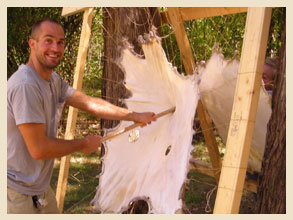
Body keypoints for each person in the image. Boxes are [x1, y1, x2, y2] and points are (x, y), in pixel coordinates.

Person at [7, 18, 156, 214]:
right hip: (14, 193)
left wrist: (135, 116)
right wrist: (83, 145)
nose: (56, 47)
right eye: (48, 40)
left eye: (60, 42)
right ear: (32, 44)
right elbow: (39, 149)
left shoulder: (53, 81)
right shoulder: (26, 86)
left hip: (39, 190)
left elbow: (90, 103)